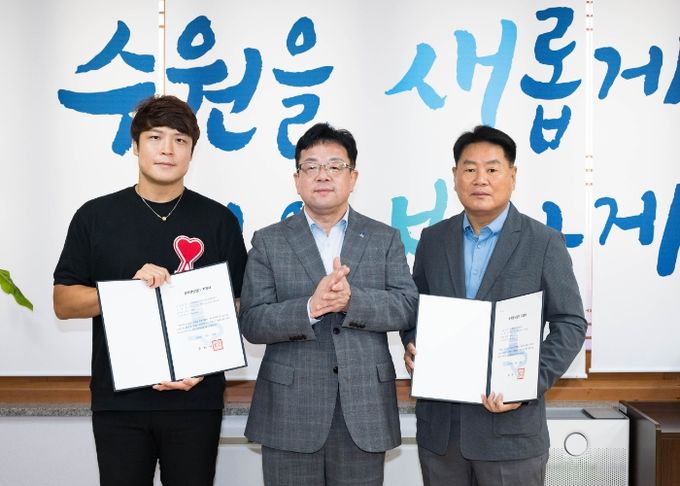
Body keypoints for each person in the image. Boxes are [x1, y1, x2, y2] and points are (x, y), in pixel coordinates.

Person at [53, 95, 247, 486]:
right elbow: (64, 302)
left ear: (192, 151)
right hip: (119, 401)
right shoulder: (95, 216)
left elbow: (239, 302)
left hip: (196, 398)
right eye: (155, 137)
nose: (167, 149)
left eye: (180, 140)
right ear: (135, 145)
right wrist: (129, 292)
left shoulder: (218, 220)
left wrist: (203, 365)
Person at [402, 125, 587, 486]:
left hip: (511, 432)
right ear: (455, 176)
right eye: (470, 169)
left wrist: (527, 384)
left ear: (513, 176)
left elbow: (570, 323)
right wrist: (412, 341)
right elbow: (414, 308)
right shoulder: (433, 240)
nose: (480, 179)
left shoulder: (543, 242)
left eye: (492, 169)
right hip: (442, 432)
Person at [239, 122, 418, 486]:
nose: (322, 175)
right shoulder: (269, 241)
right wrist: (310, 307)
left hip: (364, 408)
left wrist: (352, 301)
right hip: (289, 411)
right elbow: (253, 321)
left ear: (353, 177)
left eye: (335, 166)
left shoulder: (384, 238)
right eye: (311, 166)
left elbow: (406, 306)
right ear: (297, 179)